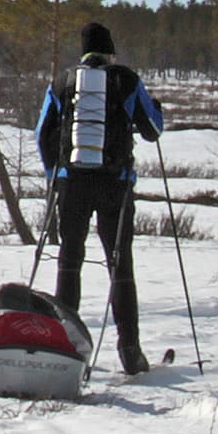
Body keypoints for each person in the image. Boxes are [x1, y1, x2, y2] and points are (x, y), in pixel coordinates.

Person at [33, 21, 166, 376]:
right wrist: (156, 107)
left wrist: (54, 176)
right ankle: (130, 350)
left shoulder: (62, 82)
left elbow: (42, 133)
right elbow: (152, 130)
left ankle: (64, 346)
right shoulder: (126, 79)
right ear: (109, 52)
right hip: (114, 186)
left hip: (72, 184)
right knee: (120, 266)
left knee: (69, 262)